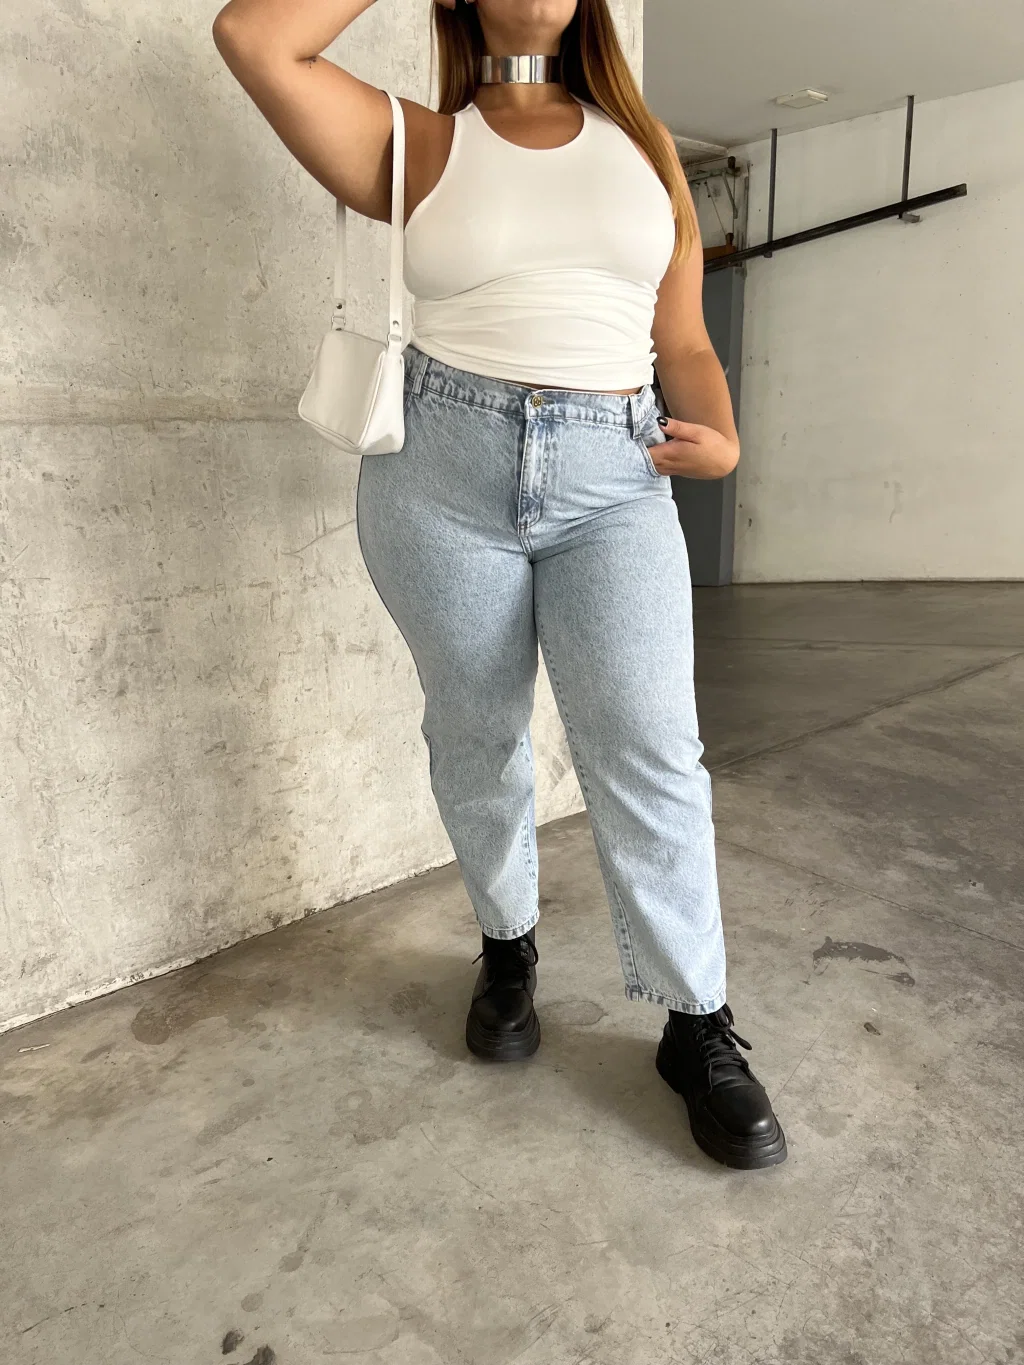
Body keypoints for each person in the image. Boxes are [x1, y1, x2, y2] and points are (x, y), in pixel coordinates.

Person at [212, 0, 787, 1170]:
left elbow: (681, 340)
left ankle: (695, 1018)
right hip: (439, 474)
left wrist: (723, 438)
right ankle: (508, 946)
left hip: (616, 478)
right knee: (476, 731)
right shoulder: (418, 142)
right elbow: (256, 38)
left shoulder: (645, 147)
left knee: (648, 744)